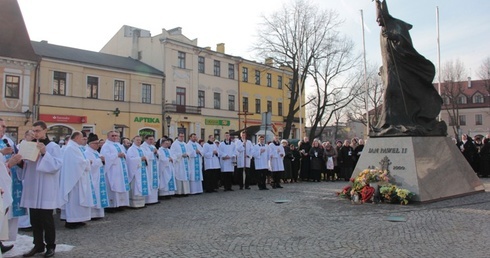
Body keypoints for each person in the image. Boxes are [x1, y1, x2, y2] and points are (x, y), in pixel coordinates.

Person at [372, 0, 446, 136]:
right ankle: (389, 123)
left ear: (385, 16)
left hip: (404, 69)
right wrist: (383, 69)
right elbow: (386, 54)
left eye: (379, 19)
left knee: (395, 92)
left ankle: (397, 122)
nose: (377, 22)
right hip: (390, 71)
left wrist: (396, 38)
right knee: (390, 93)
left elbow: (407, 44)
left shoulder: (396, 25)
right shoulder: (382, 31)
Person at [14, 121, 62, 257]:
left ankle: (51, 246)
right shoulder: (30, 145)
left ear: (45, 130)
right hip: (33, 185)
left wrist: (44, 153)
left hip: (46, 186)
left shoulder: (53, 146)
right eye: (34, 131)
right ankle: (38, 245)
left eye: (38, 130)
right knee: (34, 218)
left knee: (47, 218)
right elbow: (26, 165)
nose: (36, 133)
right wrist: (20, 162)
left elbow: (57, 165)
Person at [59, 131, 95, 229]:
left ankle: (78, 219)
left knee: (78, 199)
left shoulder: (75, 147)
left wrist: (85, 162)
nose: (82, 139)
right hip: (74, 180)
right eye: (81, 138)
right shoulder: (71, 148)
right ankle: (71, 221)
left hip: (78, 177)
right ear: (76, 138)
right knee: (74, 199)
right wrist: (88, 162)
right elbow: (77, 163)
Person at [0, 118, 24, 252]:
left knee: (4, 212)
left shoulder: (7, 141)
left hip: (6, 180)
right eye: (2, 126)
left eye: (4, 126)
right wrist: (8, 162)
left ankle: (1, 241)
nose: (4, 129)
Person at [100, 131, 130, 210]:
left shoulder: (119, 145)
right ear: (108, 136)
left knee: (121, 185)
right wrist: (117, 155)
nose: (114, 137)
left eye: (116, 136)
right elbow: (105, 157)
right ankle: (112, 205)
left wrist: (124, 155)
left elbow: (125, 154)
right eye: (112, 136)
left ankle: (121, 204)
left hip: (121, 169)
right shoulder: (106, 146)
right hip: (112, 170)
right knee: (113, 185)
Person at [85, 133, 109, 219]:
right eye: (95, 143)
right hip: (93, 177)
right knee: (94, 193)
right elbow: (91, 164)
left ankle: (99, 213)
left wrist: (101, 160)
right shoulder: (87, 152)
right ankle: (92, 213)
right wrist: (100, 160)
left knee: (99, 193)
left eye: (98, 143)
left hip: (99, 176)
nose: (98, 145)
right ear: (90, 143)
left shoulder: (96, 152)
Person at [126, 135, 149, 208]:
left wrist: (145, 158)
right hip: (136, 170)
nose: (139, 141)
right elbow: (130, 160)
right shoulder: (131, 149)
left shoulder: (141, 149)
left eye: (140, 140)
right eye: (137, 140)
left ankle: (142, 203)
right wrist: (140, 159)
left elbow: (146, 157)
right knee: (136, 185)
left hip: (143, 170)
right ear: (133, 141)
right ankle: (135, 204)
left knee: (142, 185)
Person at [141, 135, 159, 204]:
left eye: (152, 139)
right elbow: (145, 156)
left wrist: (157, 153)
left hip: (154, 166)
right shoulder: (143, 147)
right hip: (149, 167)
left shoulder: (153, 146)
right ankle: (148, 200)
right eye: (150, 139)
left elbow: (157, 156)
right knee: (149, 181)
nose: (151, 141)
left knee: (154, 182)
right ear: (146, 139)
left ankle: (154, 199)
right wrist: (153, 153)